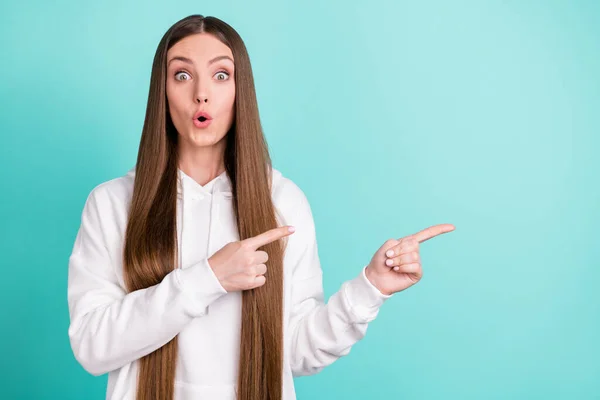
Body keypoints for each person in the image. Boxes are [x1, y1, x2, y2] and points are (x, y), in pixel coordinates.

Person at [66, 14, 455, 400]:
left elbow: (298, 353)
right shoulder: (114, 203)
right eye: (182, 76)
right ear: (162, 91)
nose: (202, 93)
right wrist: (209, 278)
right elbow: (91, 346)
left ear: (241, 90)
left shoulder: (282, 202)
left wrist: (370, 288)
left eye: (221, 75)